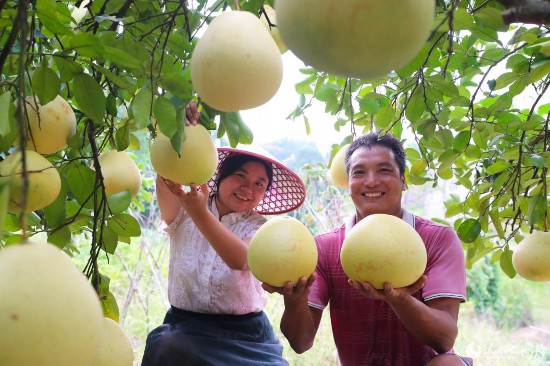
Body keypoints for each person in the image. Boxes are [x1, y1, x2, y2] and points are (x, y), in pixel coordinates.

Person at [264, 130, 471, 366]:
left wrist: (401, 300)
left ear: (403, 181)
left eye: (384, 170)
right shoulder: (324, 247)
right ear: (349, 183)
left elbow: (444, 339)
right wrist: (294, 299)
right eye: (359, 172)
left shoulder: (437, 239)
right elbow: (301, 343)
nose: (371, 181)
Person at [141, 101, 306, 366]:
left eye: (258, 184)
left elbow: (240, 259)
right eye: (240, 176)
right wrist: (178, 130)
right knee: (166, 345)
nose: (247, 188)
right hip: (185, 329)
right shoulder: (186, 205)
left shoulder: (260, 228)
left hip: (245, 335)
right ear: (221, 177)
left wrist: (199, 213)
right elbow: (168, 175)